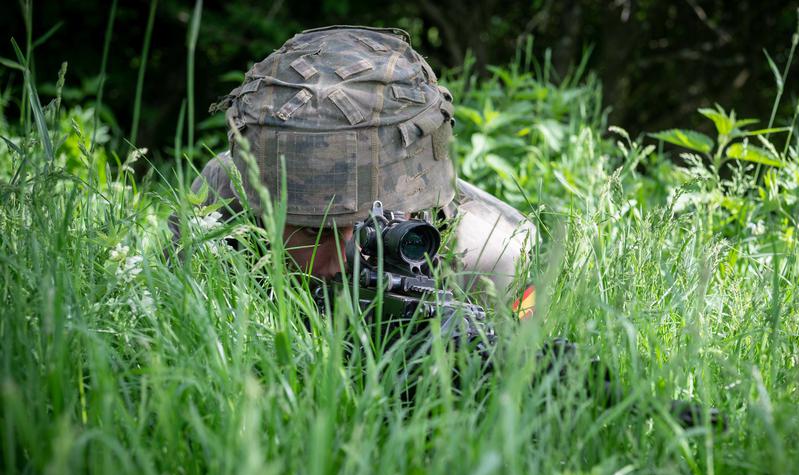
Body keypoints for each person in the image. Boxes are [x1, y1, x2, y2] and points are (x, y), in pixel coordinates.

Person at [181, 25, 535, 295]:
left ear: (420, 200)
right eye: (312, 231)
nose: (340, 265)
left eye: (374, 232)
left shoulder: (490, 258)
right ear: (261, 211)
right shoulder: (227, 193)